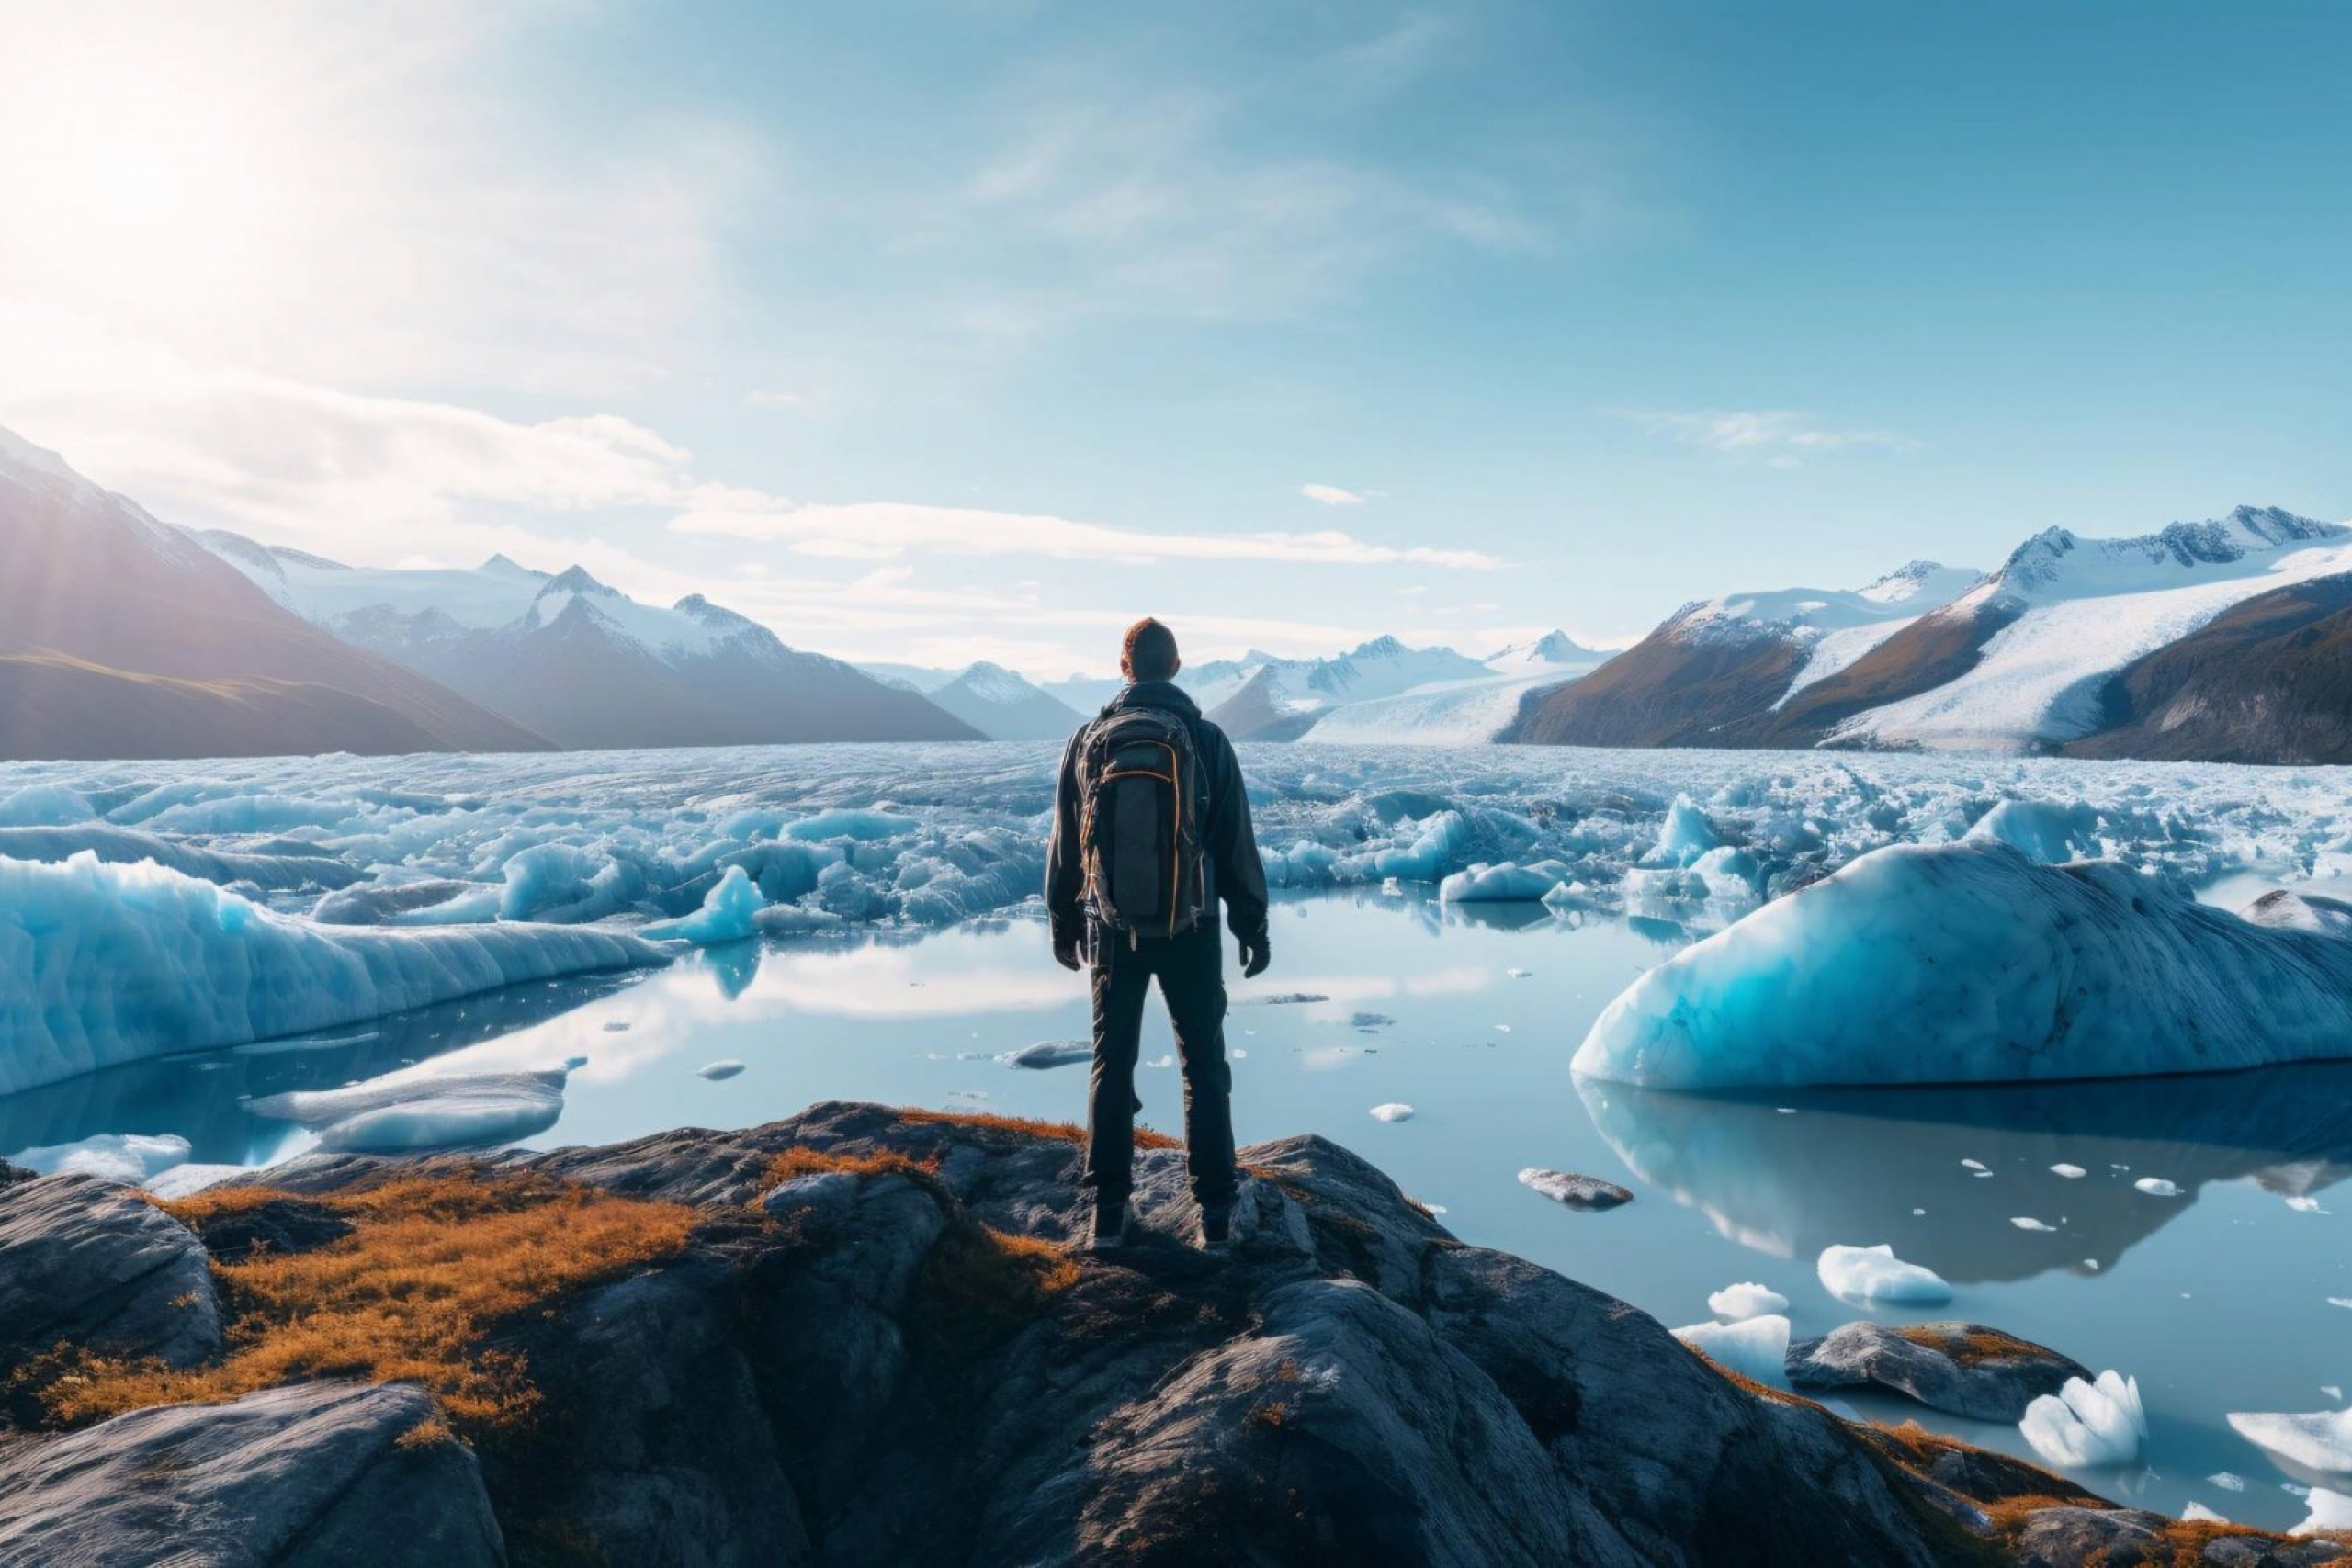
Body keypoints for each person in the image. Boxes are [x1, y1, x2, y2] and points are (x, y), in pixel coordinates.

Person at [1046, 616, 1269, 1253]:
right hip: (1191, 925)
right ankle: (1217, 1213)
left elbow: (1067, 843)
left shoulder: (1089, 740)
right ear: (1174, 667)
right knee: (1203, 1066)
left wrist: (1064, 921)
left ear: (1125, 668)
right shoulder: (1204, 739)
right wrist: (1251, 924)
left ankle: (1109, 1213)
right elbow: (1234, 843)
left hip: (1111, 927)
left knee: (1111, 1060)